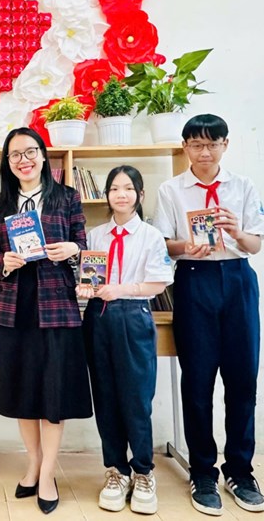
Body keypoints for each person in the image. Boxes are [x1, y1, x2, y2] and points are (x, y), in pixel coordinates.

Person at [154, 114, 264, 516]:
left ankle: (240, 471)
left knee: (242, 380)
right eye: (197, 144)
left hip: (237, 280)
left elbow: (255, 245)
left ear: (225, 145)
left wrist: (236, 232)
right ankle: (202, 471)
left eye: (212, 144)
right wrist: (186, 246)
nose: (205, 152)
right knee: (197, 381)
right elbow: (164, 244)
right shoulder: (171, 189)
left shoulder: (243, 186)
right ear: (185, 147)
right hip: (193, 280)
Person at [0, 127, 92, 515]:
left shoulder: (66, 197)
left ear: (43, 156)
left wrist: (72, 248)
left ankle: (47, 474)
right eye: (15, 155)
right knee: (23, 391)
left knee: (53, 392)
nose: (23, 160)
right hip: (14, 307)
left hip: (56, 306)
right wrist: (3, 261)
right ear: (7, 163)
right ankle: (32, 462)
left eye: (30, 152)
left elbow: (83, 244)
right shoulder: (0, 202)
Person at [77, 166, 173, 515]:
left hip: (133, 316)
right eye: (115, 188)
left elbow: (158, 283)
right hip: (97, 318)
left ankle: (143, 472)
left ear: (140, 195)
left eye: (128, 188)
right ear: (106, 195)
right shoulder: (95, 235)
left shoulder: (151, 236)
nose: (121, 194)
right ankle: (116, 470)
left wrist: (120, 289)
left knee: (136, 398)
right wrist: (85, 288)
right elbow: (88, 276)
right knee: (105, 397)